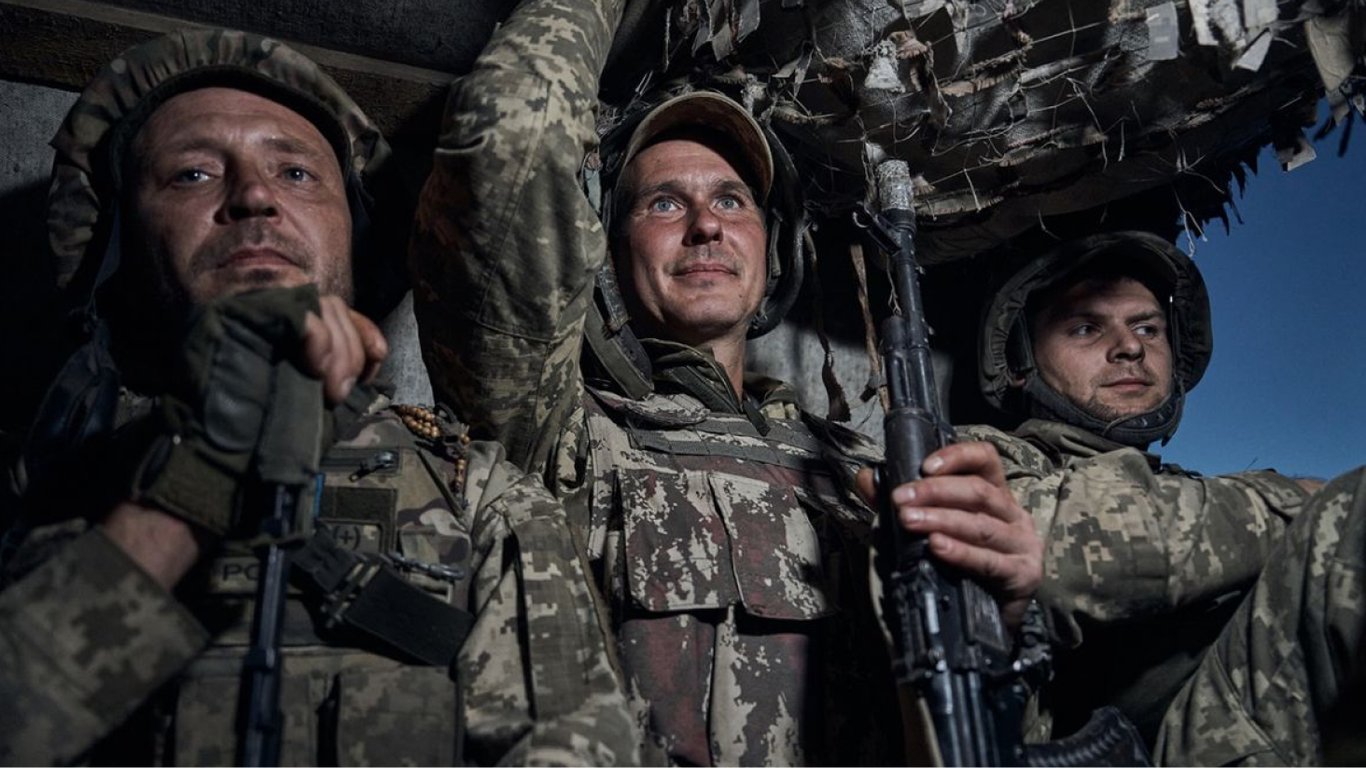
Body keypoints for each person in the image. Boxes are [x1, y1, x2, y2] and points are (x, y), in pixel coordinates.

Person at [408, 0, 1044, 762]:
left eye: (731, 200)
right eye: (664, 202)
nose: (706, 225)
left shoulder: (861, 477)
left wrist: (1000, 619)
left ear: (773, 255)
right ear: (608, 257)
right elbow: (511, 140)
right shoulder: (556, 435)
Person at [0, 29, 636, 765]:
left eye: (297, 173)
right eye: (192, 175)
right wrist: (196, 475)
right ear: (125, 243)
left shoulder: (476, 494)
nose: (253, 197)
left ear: (354, 235)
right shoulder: (47, 484)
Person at [965, 230, 1365, 763]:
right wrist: (1296, 498)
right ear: (1021, 361)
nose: (1130, 347)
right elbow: (1067, 555)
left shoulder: (1185, 487)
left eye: (1147, 328)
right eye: (1085, 327)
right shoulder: (981, 458)